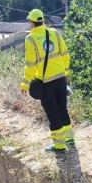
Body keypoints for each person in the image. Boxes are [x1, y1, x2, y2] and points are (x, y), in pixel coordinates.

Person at [19, 9, 74, 152]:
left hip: (46, 82)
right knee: (63, 108)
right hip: (61, 78)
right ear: (42, 21)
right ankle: (70, 139)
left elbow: (30, 64)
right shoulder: (55, 33)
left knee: (52, 113)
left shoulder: (30, 39)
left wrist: (25, 83)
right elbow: (65, 54)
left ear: (31, 22)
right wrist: (66, 73)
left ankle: (59, 145)